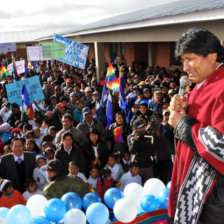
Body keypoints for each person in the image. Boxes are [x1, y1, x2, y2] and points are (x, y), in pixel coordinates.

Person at [168, 28, 224, 224]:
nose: (185, 67)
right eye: (183, 60)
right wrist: (183, 110)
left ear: (212, 56)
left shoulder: (222, 87)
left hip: (214, 198)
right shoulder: (203, 84)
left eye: (190, 59)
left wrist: (182, 123)